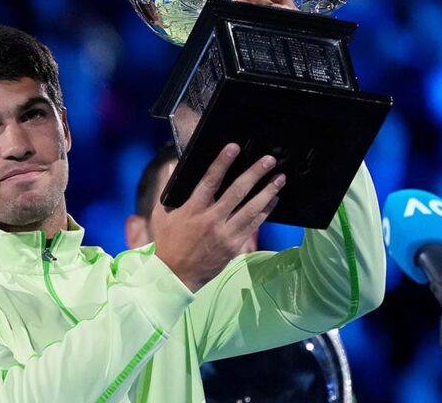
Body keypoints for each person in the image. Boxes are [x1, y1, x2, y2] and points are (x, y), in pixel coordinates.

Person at [0, 0, 385, 402]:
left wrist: (302, 80)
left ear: (65, 130)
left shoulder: (144, 282)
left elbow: (342, 288)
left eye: (33, 115)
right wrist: (170, 277)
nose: (17, 145)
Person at [126, 143, 356, 402]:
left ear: (250, 237)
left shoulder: (309, 356)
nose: (208, 234)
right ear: (137, 235)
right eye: (183, 215)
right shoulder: (112, 340)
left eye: (228, 213)